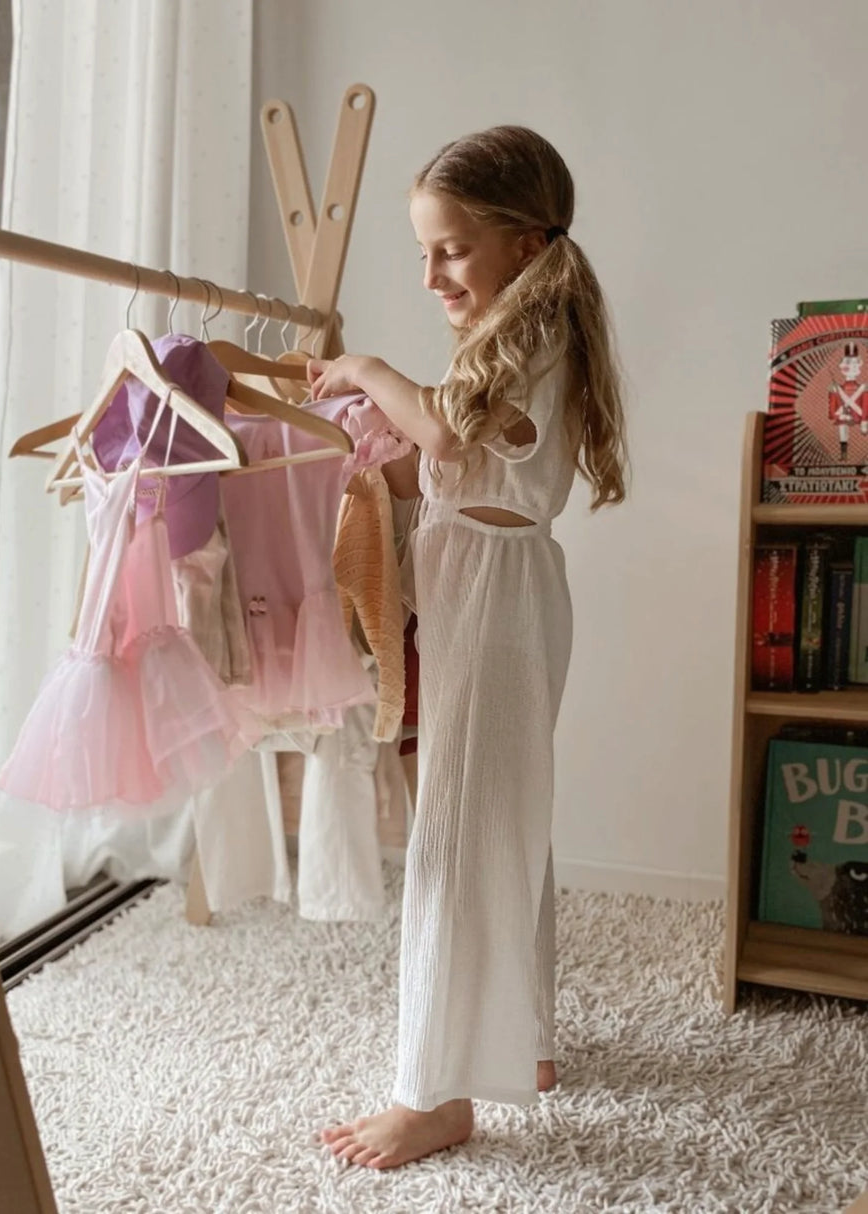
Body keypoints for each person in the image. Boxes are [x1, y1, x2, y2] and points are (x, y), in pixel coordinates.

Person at [306, 125, 629, 1170]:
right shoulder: (513, 334)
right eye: (423, 251)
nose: (431, 270)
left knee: (454, 830)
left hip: (494, 597)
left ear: (524, 240)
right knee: (501, 815)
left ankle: (435, 1090)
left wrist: (363, 367)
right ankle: (519, 1038)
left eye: (448, 247)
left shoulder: (532, 332)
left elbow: (444, 437)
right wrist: (359, 456)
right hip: (485, 583)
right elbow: (452, 469)